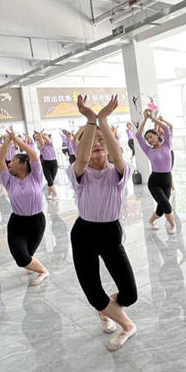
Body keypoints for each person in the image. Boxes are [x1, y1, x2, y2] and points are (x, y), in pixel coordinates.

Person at [68, 95, 137, 351]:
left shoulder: (119, 171)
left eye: (101, 140)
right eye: (90, 140)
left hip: (110, 233)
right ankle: (127, 326)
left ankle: (105, 308)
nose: (97, 144)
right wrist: (90, 120)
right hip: (83, 232)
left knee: (130, 294)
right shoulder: (78, 173)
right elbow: (83, 160)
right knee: (93, 292)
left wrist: (103, 120)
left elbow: (118, 157)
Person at [0, 128, 50, 286]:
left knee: (28, 255)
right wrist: (7, 141)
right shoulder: (8, 180)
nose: (9, 164)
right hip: (17, 223)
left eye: (13, 161)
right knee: (22, 258)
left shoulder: (36, 177)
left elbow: (33, 155)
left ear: (22, 163)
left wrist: (18, 141)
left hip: (36, 221)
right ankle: (44, 271)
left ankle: (35, 267)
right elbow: (0, 161)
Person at [137, 108, 177, 234]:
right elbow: (138, 135)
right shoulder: (149, 150)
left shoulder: (167, 145)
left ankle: (151, 221)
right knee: (167, 206)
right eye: (147, 139)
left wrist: (153, 118)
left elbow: (166, 128)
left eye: (151, 137)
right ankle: (173, 226)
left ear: (157, 135)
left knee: (161, 209)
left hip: (167, 180)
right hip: (154, 182)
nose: (149, 140)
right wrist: (145, 119)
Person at [34, 131, 59, 201]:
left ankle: (49, 194)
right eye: (36, 138)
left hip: (54, 163)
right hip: (46, 164)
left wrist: (40, 134)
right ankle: (56, 195)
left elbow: (47, 140)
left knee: (51, 181)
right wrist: (40, 136)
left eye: (39, 137)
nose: (38, 138)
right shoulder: (39, 145)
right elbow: (42, 143)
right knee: (50, 180)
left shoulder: (50, 143)